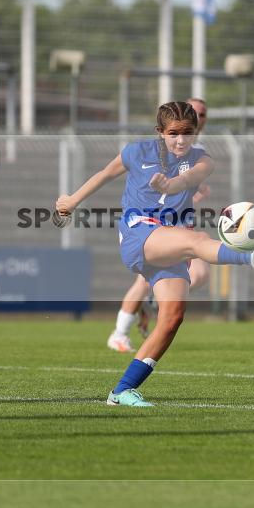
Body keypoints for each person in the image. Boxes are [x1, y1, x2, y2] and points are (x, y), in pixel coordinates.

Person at [57, 101, 254, 407]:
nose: (181, 140)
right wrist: (72, 200)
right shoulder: (136, 152)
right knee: (195, 239)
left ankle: (121, 391)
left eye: (188, 132)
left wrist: (171, 184)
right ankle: (249, 256)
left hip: (167, 240)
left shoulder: (203, 160)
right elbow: (106, 173)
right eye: (173, 133)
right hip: (138, 234)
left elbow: (185, 181)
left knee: (172, 318)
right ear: (160, 132)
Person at [107, 97, 211, 352]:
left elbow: (185, 184)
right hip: (152, 224)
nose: (198, 115)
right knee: (143, 281)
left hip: (181, 222)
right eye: (194, 110)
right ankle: (119, 333)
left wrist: (191, 193)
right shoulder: (162, 147)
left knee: (200, 274)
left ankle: (151, 302)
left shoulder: (198, 151)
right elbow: (152, 185)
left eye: (202, 113)